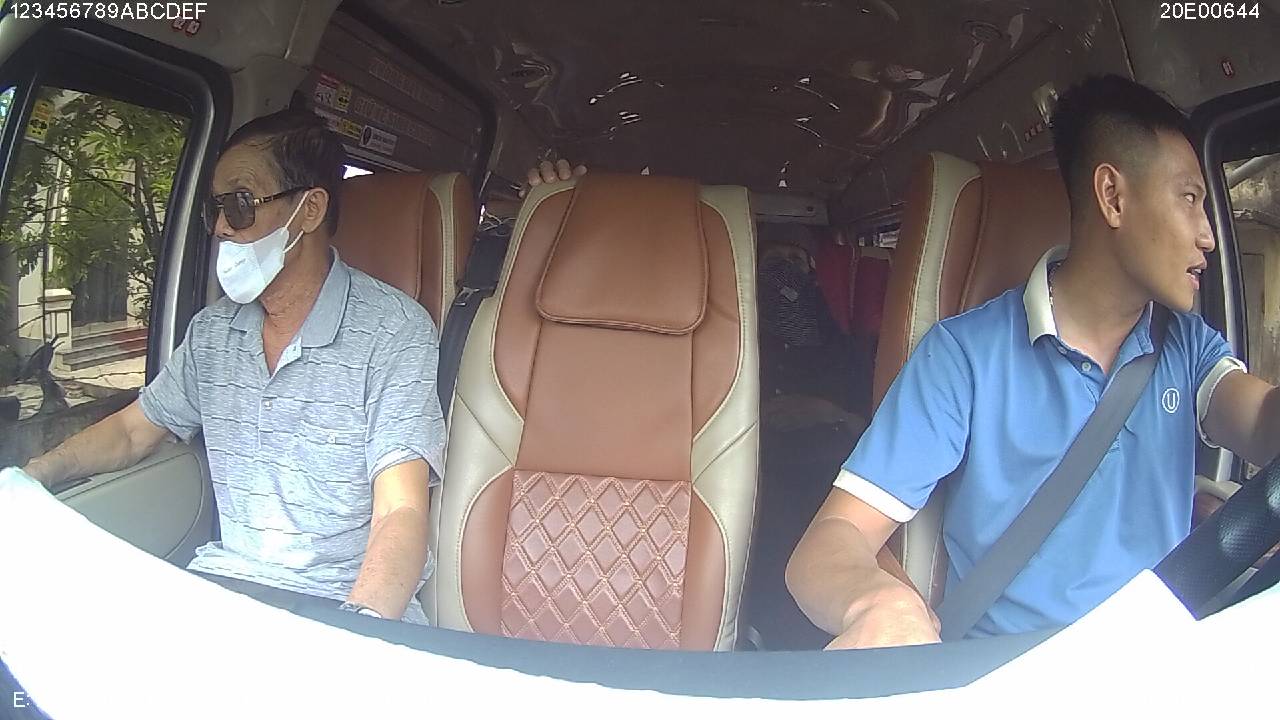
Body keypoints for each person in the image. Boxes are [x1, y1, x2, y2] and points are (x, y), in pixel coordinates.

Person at [786, 74, 1280, 648]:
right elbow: (828, 544)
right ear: (1113, 196)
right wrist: (879, 603)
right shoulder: (964, 356)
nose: (1208, 236)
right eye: (1190, 199)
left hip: (1159, 662)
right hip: (1010, 674)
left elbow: (1263, 420)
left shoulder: (1189, 348)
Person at [21, 109, 445, 623]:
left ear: (309, 210)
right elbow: (132, 432)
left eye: (240, 204)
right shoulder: (213, 332)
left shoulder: (393, 330)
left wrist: (360, 627)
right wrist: (33, 475)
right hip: (224, 587)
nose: (221, 227)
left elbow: (400, 509)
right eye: (216, 208)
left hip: (342, 601)